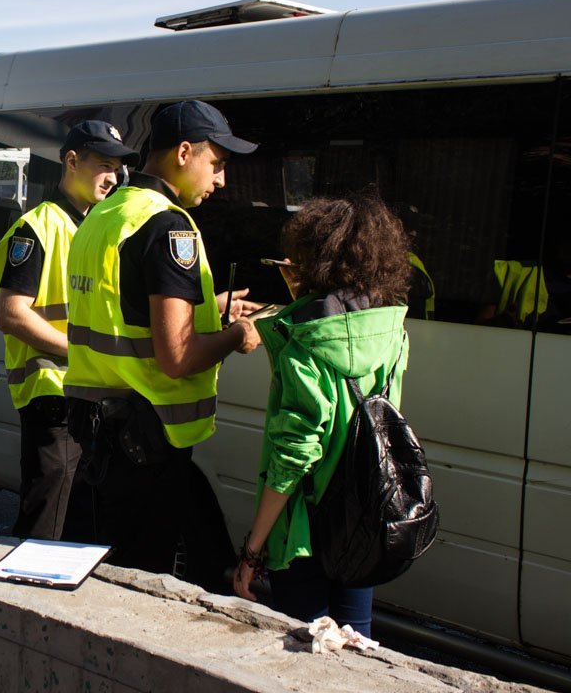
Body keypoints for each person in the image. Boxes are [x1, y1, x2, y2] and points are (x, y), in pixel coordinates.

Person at [63, 100, 262, 587]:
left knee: (98, 578)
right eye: (216, 165)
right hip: (145, 444)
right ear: (185, 151)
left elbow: (123, 310)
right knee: (138, 591)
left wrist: (209, 308)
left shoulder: (105, 214)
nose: (220, 181)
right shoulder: (169, 226)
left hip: (97, 433)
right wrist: (236, 334)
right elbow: (176, 359)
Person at [233, 195, 412, 638]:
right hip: (365, 520)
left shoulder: (303, 344)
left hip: (303, 534)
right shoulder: (393, 333)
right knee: (357, 650)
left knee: (302, 656)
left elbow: (293, 458)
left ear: (314, 259)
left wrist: (252, 551)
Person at [0, 120, 135, 539]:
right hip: (51, 398)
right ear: (72, 161)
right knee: (45, 527)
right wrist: (83, 354)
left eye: (118, 167)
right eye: (104, 165)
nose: (114, 177)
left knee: (73, 524)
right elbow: (12, 315)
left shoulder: (93, 228)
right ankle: (19, 599)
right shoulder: (36, 227)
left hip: (85, 395)